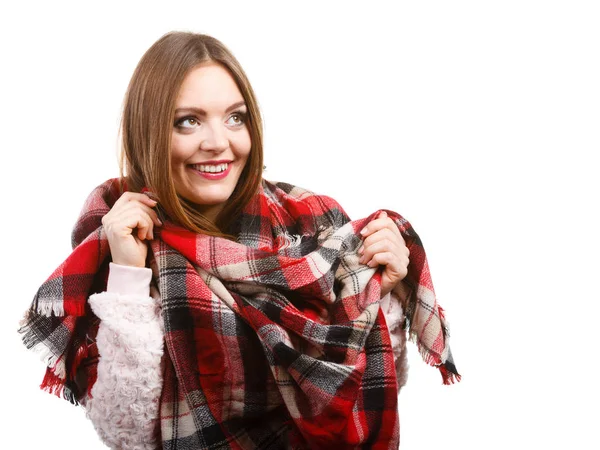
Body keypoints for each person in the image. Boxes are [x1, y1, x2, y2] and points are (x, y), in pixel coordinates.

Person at [19, 31, 459, 449]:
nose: (219, 142)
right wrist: (130, 278)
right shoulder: (123, 236)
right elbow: (127, 432)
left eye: (235, 118)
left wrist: (385, 292)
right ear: (147, 133)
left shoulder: (312, 221)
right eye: (187, 122)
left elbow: (366, 389)